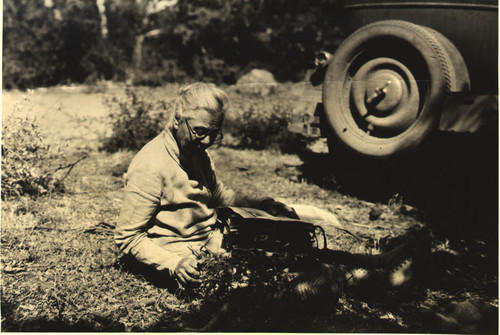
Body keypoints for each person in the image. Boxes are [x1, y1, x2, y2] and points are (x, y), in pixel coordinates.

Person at [114, 82, 298, 287]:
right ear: (177, 119)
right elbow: (128, 236)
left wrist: (262, 203)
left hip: (212, 240)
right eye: (200, 131)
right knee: (270, 285)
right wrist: (174, 263)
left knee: (289, 251)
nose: (206, 141)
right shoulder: (150, 164)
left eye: (214, 133)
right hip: (182, 255)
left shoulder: (196, 151)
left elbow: (216, 193)